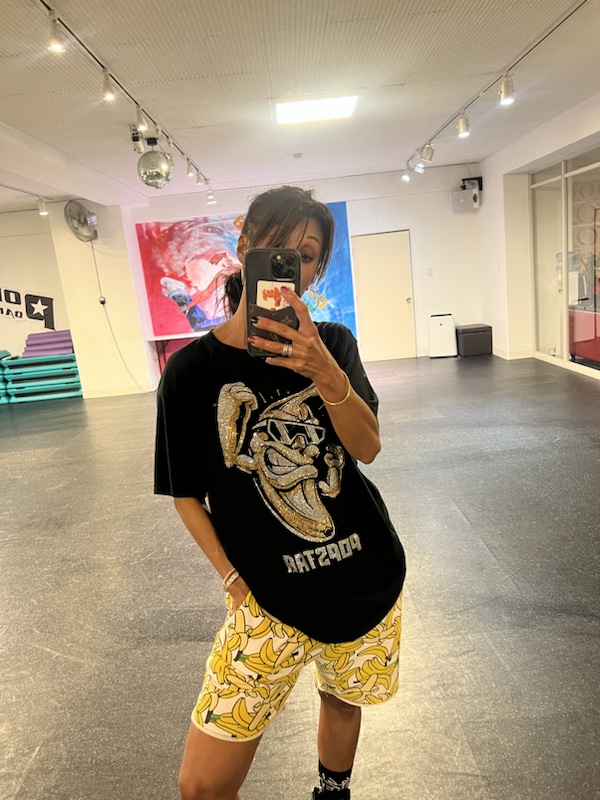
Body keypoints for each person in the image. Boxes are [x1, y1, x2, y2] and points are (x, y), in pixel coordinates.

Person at [154, 185, 406, 800]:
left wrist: (323, 370)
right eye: (276, 247)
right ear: (245, 247)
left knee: (341, 701)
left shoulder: (334, 345)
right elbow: (185, 492)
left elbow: (368, 447)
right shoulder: (190, 372)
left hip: (364, 576)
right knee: (201, 786)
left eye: (308, 255)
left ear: (315, 270)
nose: (291, 265)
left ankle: (332, 792)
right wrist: (231, 578)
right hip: (265, 600)